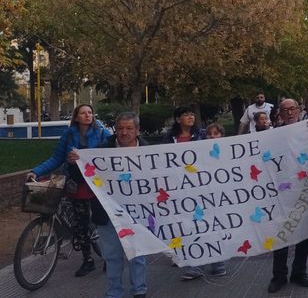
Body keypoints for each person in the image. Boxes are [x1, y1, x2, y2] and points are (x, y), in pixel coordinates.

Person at [27, 103, 112, 277]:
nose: (88, 115)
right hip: (76, 183)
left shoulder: (103, 133)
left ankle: (110, 258)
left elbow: (110, 155)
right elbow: (56, 158)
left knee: (102, 222)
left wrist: (84, 156)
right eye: (83, 113)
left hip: (97, 185)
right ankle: (87, 260)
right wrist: (36, 171)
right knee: (80, 224)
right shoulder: (68, 135)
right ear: (76, 117)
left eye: (90, 112)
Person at [162, 106, 225, 280]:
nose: (190, 117)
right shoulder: (169, 139)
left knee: (210, 224)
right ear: (177, 119)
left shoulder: (202, 135)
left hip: (204, 187)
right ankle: (199, 264)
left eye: (192, 114)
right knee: (190, 227)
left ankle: (215, 263)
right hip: (180, 189)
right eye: (186, 114)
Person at [92, 112, 149, 298]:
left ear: (137, 130)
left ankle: (139, 290)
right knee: (112, 257)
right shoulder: (99, 151)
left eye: (129, 128)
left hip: (138, 213)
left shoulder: (151, 152)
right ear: (115, 130)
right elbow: (83, 177)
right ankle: (114, 293)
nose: (124, 132)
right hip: (108, 213)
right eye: (120, 128)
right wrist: (75, 163)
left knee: (138, 254)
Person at [267, 98, 308, 293]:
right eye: (285, 109)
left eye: (292, 108)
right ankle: (279, 276)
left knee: (305, 232)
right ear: (280, 113)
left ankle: (299, 272)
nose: (289, 112)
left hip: (305, 190)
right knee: (281, 234)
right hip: (280, 193)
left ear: (298, 110)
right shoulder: (272, 135)